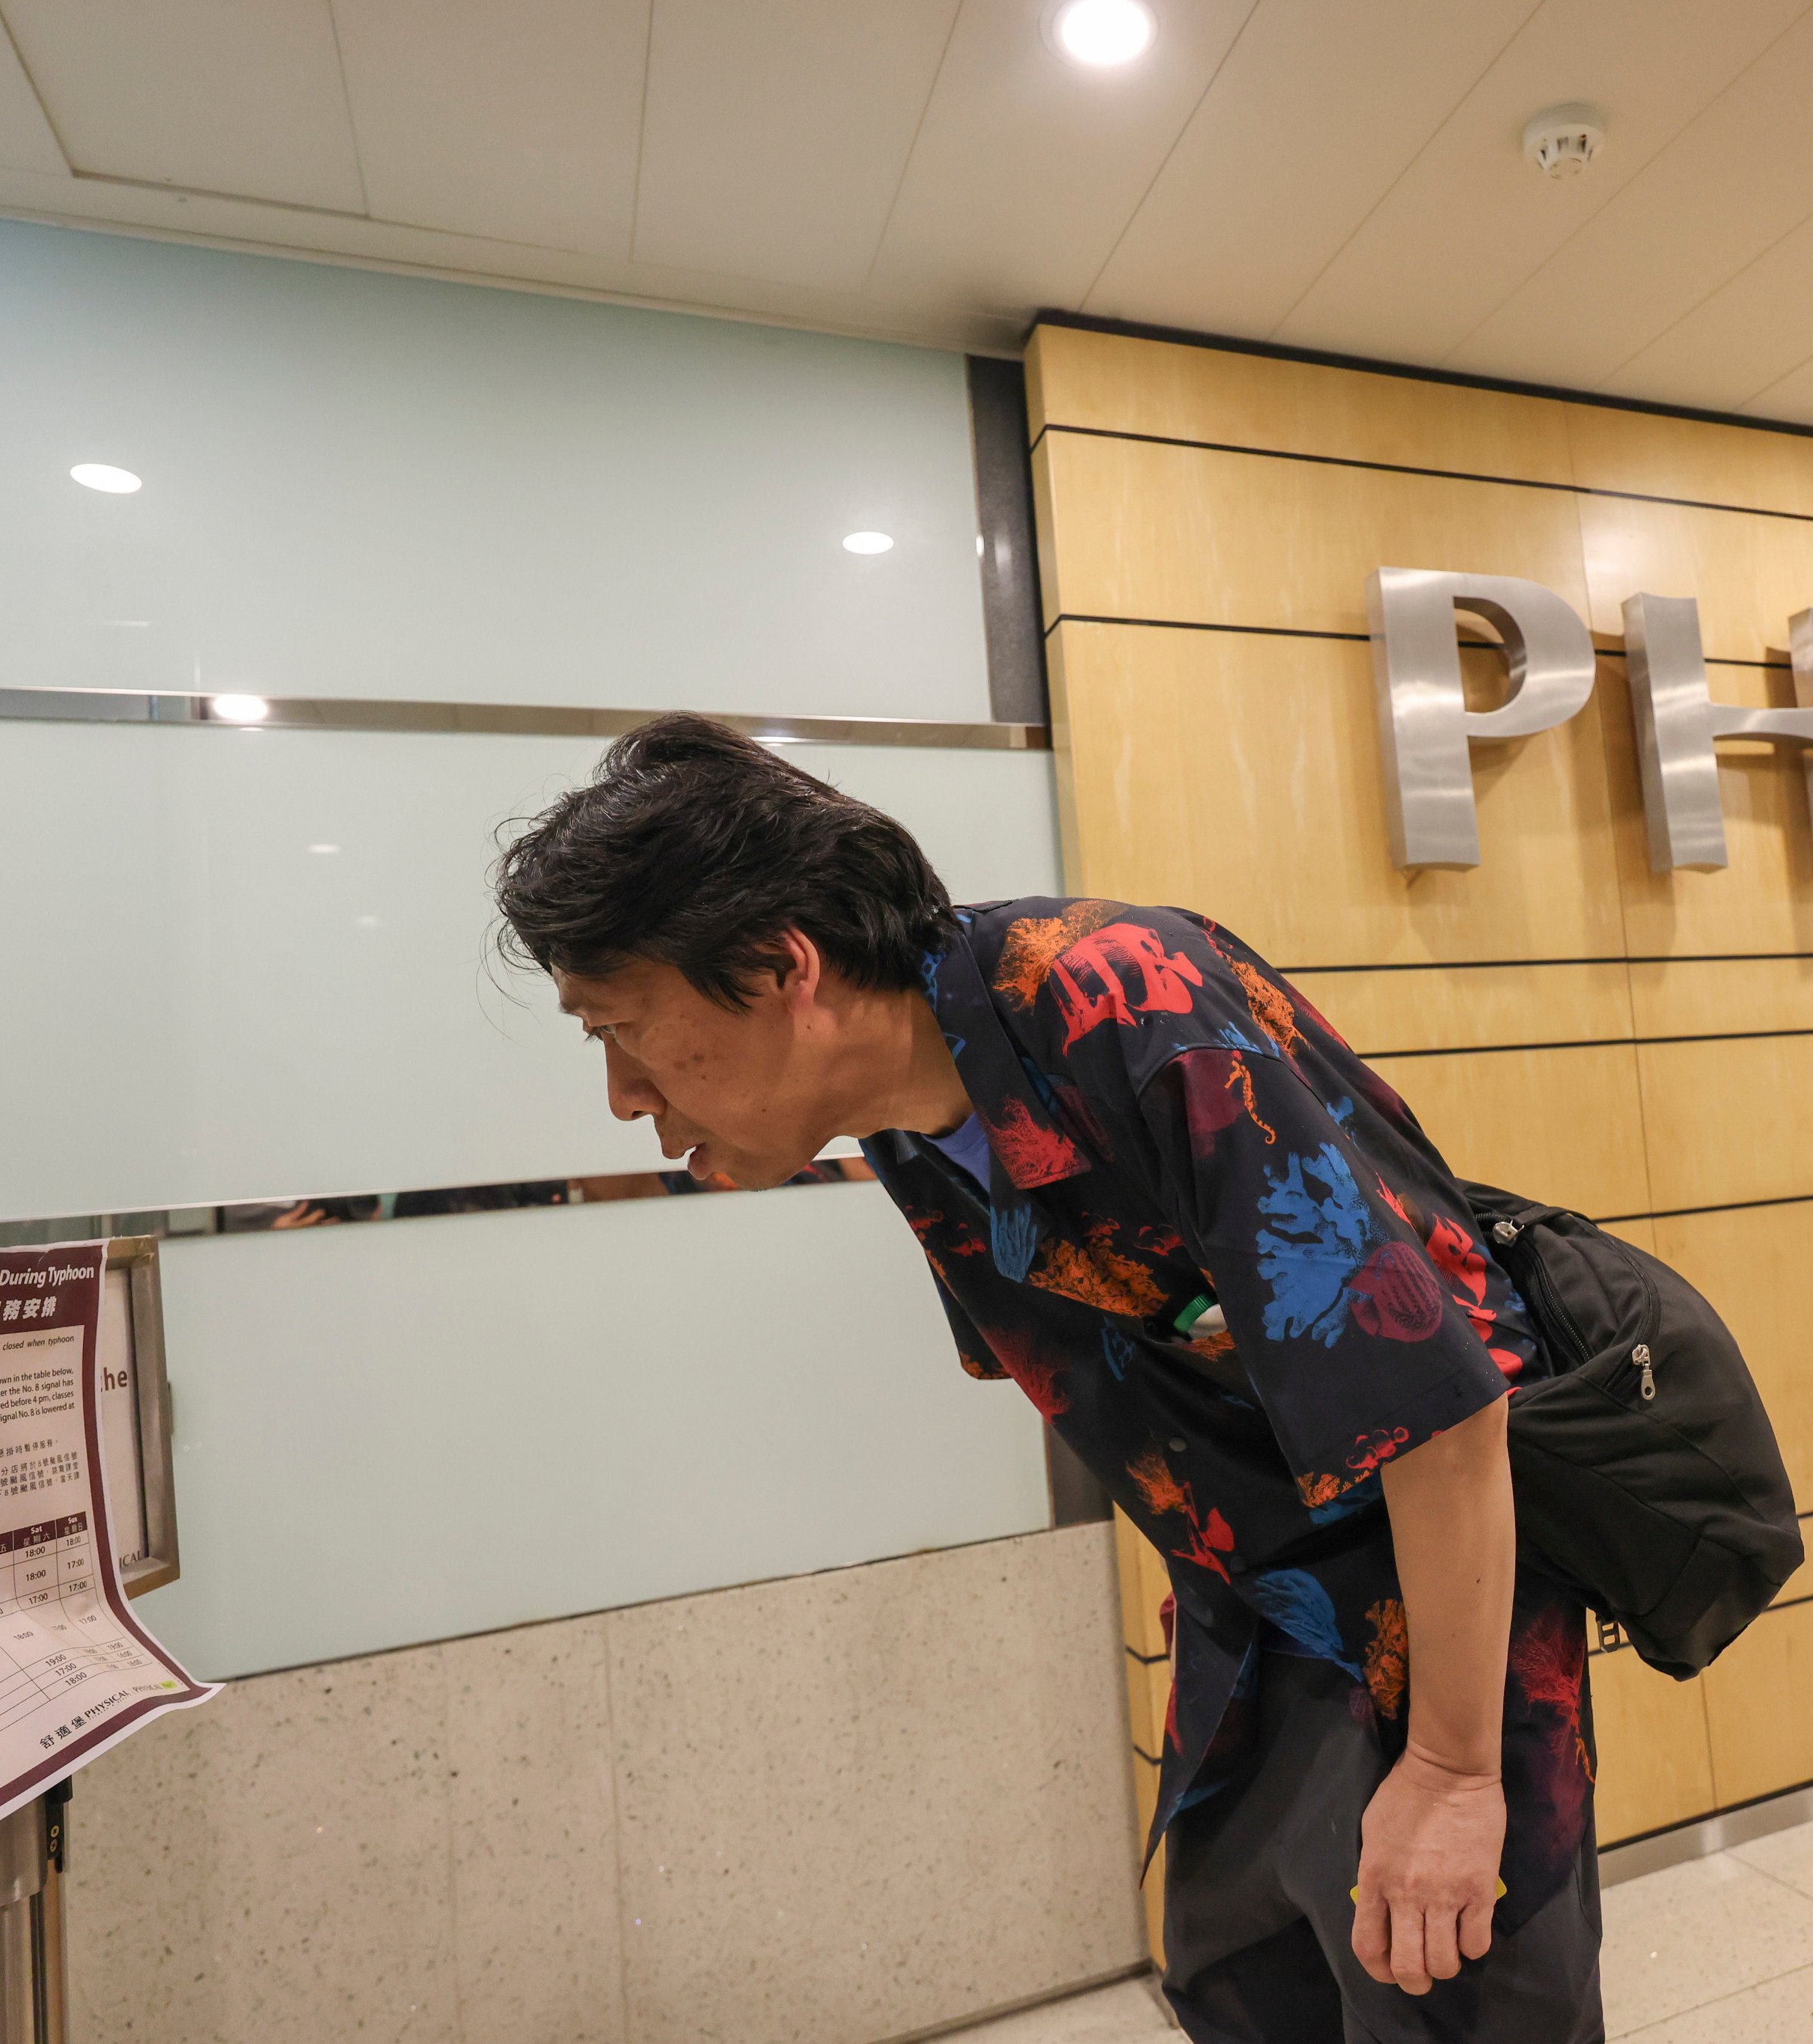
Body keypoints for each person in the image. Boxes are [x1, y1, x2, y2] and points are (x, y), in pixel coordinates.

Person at [493, 715, 1600, 2043]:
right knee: (1248, 1990)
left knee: (1452, 2008)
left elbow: (1443, 1407)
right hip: (1250, 1624)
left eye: (625, 1030)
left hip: (1426, 1629)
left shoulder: (1125, 999)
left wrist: (1452, 1771)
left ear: (783, 967)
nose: (622, 1095)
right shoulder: (904, 1117)